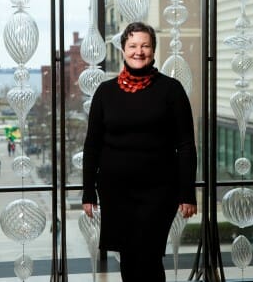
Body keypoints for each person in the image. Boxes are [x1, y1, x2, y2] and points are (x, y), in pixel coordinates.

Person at [82, 22, 197, 282]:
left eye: (145, 45)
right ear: (123, 50)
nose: (139, 51)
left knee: (149, 255)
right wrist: (88, 190)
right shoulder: (105, 92)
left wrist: (187, 193)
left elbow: (186, 145)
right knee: (129, 256)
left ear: (154, 51)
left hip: (159, 191)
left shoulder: (172, 90)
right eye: (132, 45)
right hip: (116, 191)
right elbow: (92, 145)